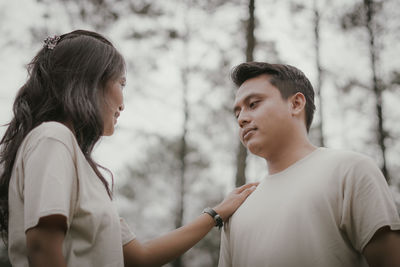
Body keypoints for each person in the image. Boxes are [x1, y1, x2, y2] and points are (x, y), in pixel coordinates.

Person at [0, 30, 258, 267]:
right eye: (121, 84)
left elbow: (140, 257)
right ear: (88, 82)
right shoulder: (53, 137)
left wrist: (216, 213)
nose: (123, 102)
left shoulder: (79, 164)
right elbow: (42, 247)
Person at [218, 62, 400, 267]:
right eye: (237, 114)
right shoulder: (237, 208)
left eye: (253, 104)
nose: (241, 118)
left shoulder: (350, 170)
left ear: (295, 104)